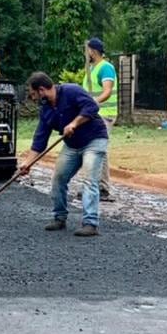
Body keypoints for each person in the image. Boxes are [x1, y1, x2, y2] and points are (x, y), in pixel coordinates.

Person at [19, 72, 109, 237]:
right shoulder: (46, 109)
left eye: (33, 94)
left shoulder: (72, 91)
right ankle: (59, 217)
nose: (34, 99)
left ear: (41, 90)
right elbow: (40, 138)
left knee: (89, 179)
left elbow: (92, 107)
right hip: (72, 145)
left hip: (94, 140)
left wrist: (74, 123)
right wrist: (28, 163)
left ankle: (90, 223)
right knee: (58, 178)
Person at [83, 38, 117, 200]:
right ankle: (92, 186)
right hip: (94, 114)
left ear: (93, 51)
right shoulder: (92, 69)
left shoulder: (106, 68)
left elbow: (107, 91)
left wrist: (92, 103)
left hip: (104, 113)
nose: (87, 53)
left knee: (99, 149)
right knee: (91, 149)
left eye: (88, 50)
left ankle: (103, 187)